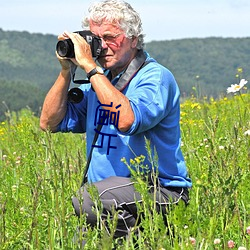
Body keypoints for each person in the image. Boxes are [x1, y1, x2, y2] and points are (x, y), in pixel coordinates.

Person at [40, 0, 192, 244]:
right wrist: (66, 70)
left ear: (133, 39)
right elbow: (49, 123)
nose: (102, 47)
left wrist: (90, 68)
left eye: (110, 37)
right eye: (96, 39)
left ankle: (146, 241)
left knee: (88, 200)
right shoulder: (99, 82)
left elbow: (127, 121)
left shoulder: (154, 77)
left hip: (160, 191)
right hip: (109, 198)